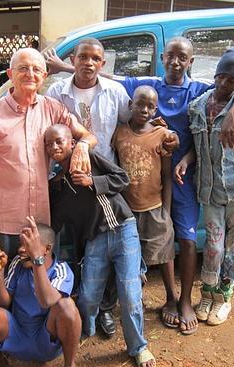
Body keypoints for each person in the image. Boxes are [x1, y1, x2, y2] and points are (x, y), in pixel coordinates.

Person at [45, 36, 234, 334]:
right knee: (112, 243)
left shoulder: (198, 90)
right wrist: (64, 66)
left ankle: (182, 300)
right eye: (170, 56)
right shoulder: (147, 85)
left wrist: (233, 112)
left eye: (183, 58)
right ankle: (109, 304)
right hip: (130, 181)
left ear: (191, 62)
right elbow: (103, 74)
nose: (176, 62)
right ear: (162, 57)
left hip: (180, 177)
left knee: (184, 239)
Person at [0, 48, 96, 267]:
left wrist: (82, 146)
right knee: (6, 284)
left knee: (40, 284)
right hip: (3, 223)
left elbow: (86, 135)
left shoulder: (53, 109)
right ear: (10, 74)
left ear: (44, 76)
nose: (30, 73)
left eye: (36, 69)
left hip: (42, 223)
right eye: (23, 68)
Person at [46, 124, 155, 367]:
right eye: (49, 144)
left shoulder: (90, 158)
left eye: (59, 141)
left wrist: (91, 181)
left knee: (129, 293)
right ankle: (86, 330)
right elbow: (54, 223)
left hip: (122, 229)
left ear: (72, 143)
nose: (54, 147)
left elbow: (122, 178)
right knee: (87, 296)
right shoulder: (57, 186)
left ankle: (138, 347)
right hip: (95, 240)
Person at [45, 37, 131, 337]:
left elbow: (129, 125)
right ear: (74, 59)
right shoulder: (57, 92)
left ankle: (106, 308)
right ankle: (81, 306)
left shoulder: (116, 92)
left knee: (106, 246)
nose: (89, 63)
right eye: (83, 57)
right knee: (78, 248)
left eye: (95, 58)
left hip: (101, 181)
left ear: (103, 63)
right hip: (68, 183)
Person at [177, 47, 234, 326]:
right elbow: (200, 148)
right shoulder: (198, 107)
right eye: (222, 77)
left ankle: (225, 296)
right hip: (210, 191)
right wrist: (185, 161)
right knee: (213, 245)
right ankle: (208, 293)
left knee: (231, 247)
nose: (225, 84)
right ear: (215, 75)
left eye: (232, 81)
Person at [0, 216, 81, 367]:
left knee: (67, 306)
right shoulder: (18, 263)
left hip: (45, 340)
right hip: (16, 335)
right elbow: (2, 303)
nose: (21, 249)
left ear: (47, 249)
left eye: (28, 245)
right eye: (21, 244)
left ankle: (70, 364)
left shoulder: (61, 271)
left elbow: (46, 301)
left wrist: (37, 261)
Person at [112, 85, 177, 328]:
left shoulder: (162, 135)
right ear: (130, 105)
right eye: (140, 104)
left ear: (156, 109)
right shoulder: (119, 133)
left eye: (150, 106)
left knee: (165, 253)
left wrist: (167, 212)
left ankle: (171, 298)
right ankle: (134, 302)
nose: (145, 109)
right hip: (127, 210)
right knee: (132, 257)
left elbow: (167, 176)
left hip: (155, 206)